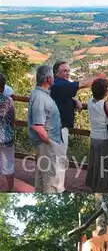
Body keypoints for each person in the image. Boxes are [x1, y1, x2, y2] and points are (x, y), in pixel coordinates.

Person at [50, 61, 103, 156]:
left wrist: (74, 100)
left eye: (68, 71)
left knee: (53, 156)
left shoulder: (56, 84)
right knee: (59, 156)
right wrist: (99, 79)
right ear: (56, 72)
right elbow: (82, 84)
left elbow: (61, 96)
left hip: (55, 126)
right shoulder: (60, 84)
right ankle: (57, 171)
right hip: (58, 129)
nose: (68, 73)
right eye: (64, 71)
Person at [28, 65, 65, 193]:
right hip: (47, 146)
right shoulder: (40, 98)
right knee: (51, 181)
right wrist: (53, 144)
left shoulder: (40, 94)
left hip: (45, 145)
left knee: (42, 179)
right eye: (53, 77)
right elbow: (38, 127)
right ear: (49, 79)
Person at [85, 78, 108, 192]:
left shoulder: (90, 100)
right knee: (104, 165)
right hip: (104, 138)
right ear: (105, 91)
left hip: (94, 136)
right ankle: (101, 187)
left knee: (95, 163)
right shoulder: (105, 104)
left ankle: (93, 184)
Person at [0, 73, 15, 191]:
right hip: (7, 137)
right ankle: (10, 189)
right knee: (8, 165)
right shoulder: (9, 100)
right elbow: (12, 120)